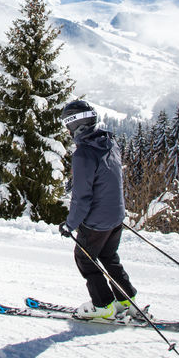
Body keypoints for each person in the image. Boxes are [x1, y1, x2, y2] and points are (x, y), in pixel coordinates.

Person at [58, 100, 138, 319]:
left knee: (84, 258)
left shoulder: (83, 154)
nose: (67, 129)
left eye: (68, 124)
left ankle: (103, 306)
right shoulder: (110, 143)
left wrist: (70, 224)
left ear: (76, 125)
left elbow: (82, 197)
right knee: (108, 256)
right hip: (116, 216)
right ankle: (125, 299)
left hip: (97, 222)